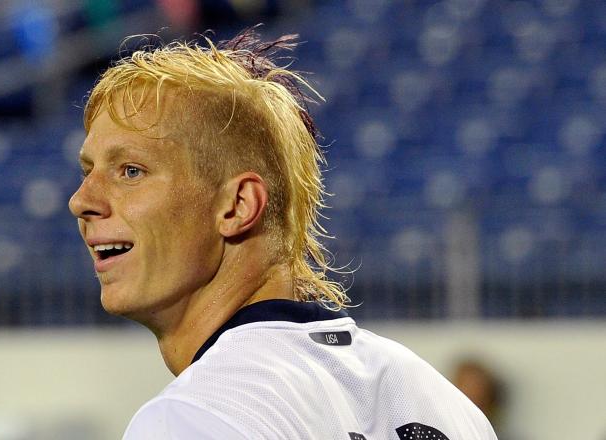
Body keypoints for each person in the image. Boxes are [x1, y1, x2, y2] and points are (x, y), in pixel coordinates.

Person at [68, 28, 498, 439]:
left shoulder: (194, 415)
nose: (81, 200)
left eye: (131, 171)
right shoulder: (447, 405)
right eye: (88, 171)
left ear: (238, 206)